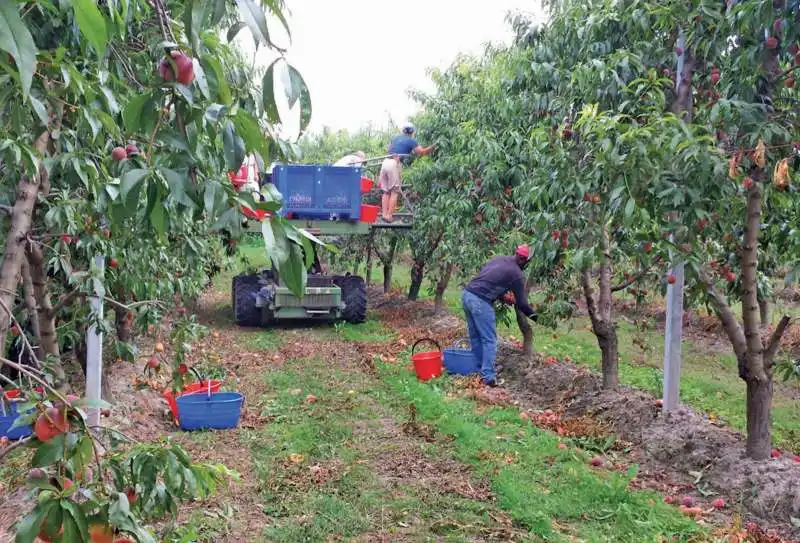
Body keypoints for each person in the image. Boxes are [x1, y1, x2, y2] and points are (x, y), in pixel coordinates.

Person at [462, 245, 538, 387]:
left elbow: (488, 279)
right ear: (523, 260)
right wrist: (537, 318)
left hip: (467, 295)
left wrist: (503, 297)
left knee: (475, 336)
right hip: (480, 301)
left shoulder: (500, 260)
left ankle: (480, 368)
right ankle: (489, 377)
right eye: (528, 261)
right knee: (489, 340)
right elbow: (522, 304)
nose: (528, 264)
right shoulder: (517, 274)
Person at [378, 122, 435, 222]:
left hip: (385, 162)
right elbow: (422, 152)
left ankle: (384, 214)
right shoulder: (411, 141)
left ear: (403, 130)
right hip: (394, 163)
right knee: (395, 191)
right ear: (412, 132)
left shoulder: (396, 138)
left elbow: (389, 149)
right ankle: (389, 216)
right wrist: (433, 146)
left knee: (386, 191)